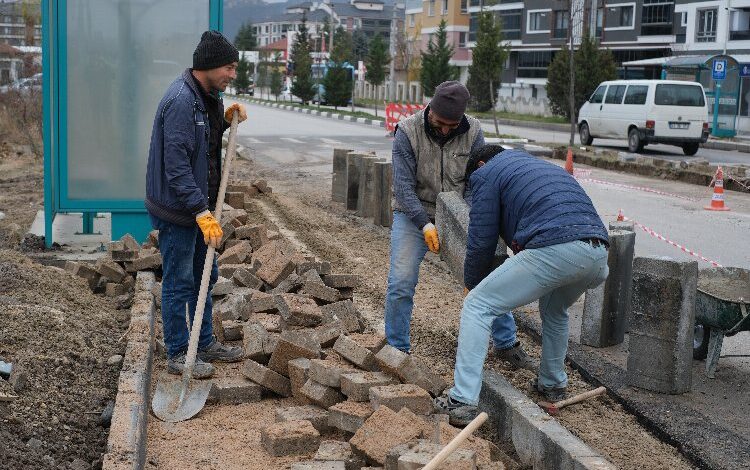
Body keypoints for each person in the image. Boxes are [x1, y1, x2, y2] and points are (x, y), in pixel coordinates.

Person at [434, 145, 610, 426]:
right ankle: (552, 383)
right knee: (555, 310)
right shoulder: (540, 167)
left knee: (477, 305)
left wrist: (472, 283)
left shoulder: (486, 174)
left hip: (558, 248)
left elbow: (481, 241)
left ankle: (463, 400)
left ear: (479, 164)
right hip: (598, 254)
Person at [385, 81, 534, 371]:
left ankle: (506, 343)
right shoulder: (407, 131)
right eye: (439, 123)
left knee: (488, 274)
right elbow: (403, 187)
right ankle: (396, 348)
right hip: (414, 213)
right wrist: (424, 224)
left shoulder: (473, 131)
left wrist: (467, 217)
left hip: (458, 210)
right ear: (430, 109)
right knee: (401, 281)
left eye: (451, 126)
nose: (444, 130)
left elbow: (478, 179)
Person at [145, 30, 248, 379]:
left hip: (200, 208)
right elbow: (176, 166)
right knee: (180, 281)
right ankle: (177, 351)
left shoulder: (208, 95)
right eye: (230, 68)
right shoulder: (180, 101)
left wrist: (223, 121)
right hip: (179, 211)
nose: (232, 75)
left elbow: (201, 142)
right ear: (210, 65)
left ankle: (203, 343)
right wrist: (200, 211)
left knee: (208, 274)